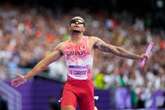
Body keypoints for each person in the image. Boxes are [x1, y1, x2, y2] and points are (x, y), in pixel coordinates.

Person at [11, 16, 148, 110]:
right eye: (74, 21)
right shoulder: (63, 46)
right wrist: (26, 77)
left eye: (80, 22)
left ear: (84, 28)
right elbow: (44, 63)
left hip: (87, 87)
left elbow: (115, 49)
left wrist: (137, 56)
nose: (76, 23)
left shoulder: (92, 41)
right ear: (70, 27)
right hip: (71, 86)